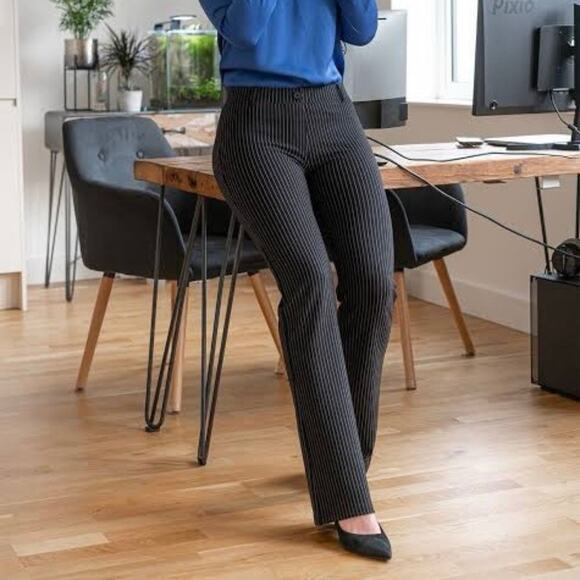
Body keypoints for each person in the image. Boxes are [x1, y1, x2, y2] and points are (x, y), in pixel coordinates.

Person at [199, 0, 395, 561]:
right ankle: (349, 497)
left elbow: (361, 29)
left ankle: (345, 463)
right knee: (309, 282)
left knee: (373, 283)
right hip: (255, 126)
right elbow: (246, 31)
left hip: (334, 114)